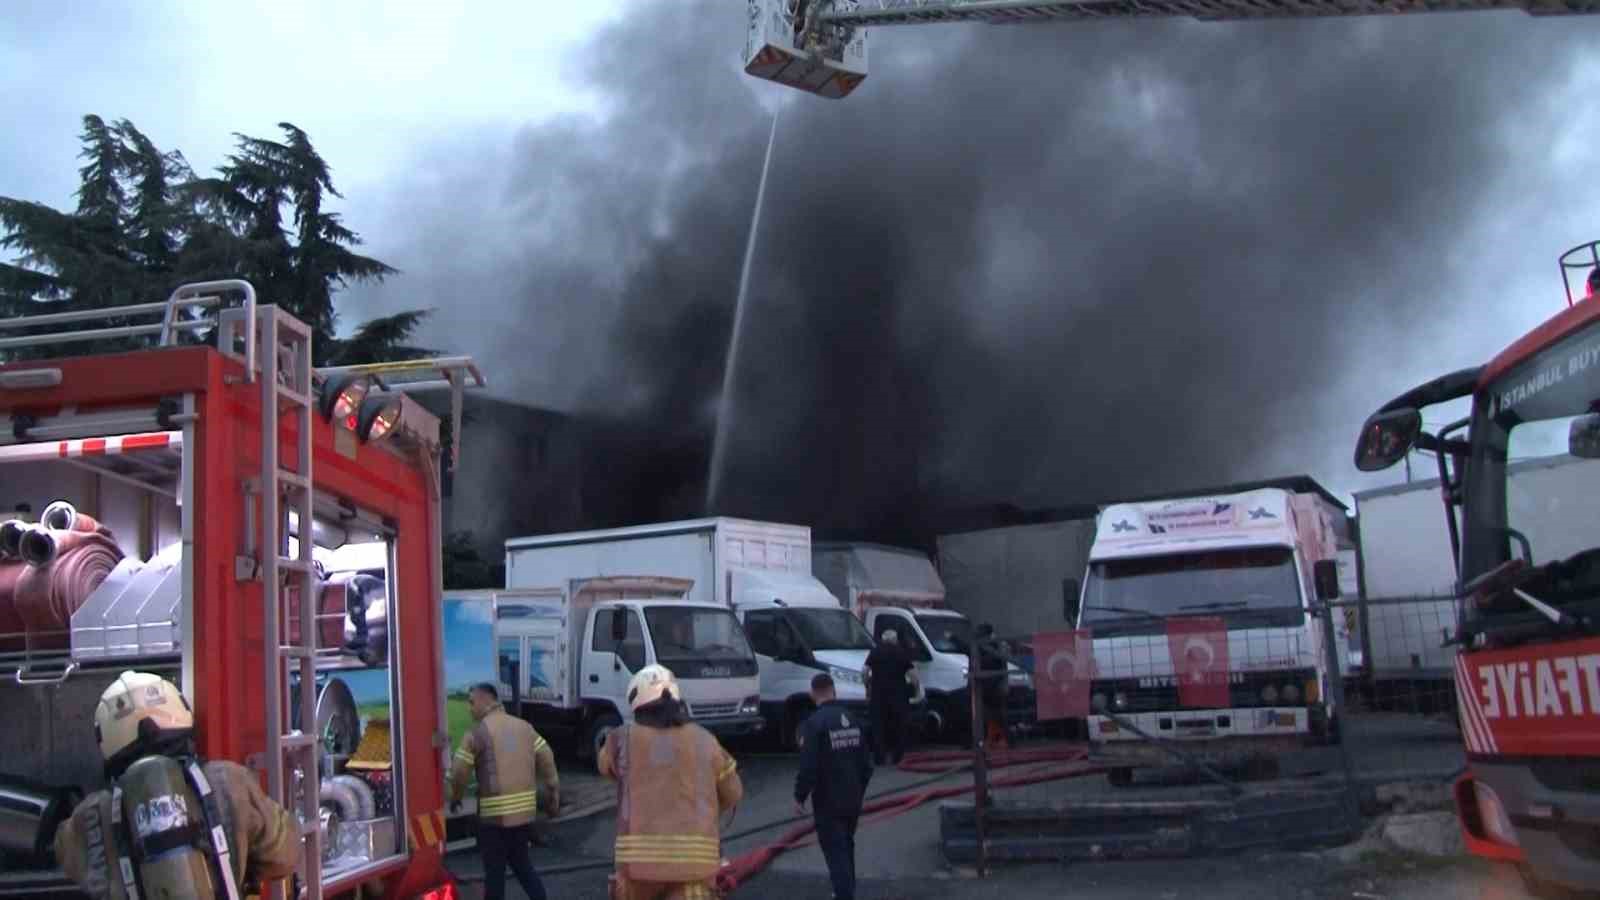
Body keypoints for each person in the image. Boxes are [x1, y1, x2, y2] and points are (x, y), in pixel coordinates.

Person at [53, 671, 300, 900]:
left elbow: (65, 853)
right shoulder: (230, 781)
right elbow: (284, 856)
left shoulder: (89, 816)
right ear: (179, 710)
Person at [599, 665, 743, 900]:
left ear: (637, 705)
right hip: (695, 865)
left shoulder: (620, 740)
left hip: (637, 869)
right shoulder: (705, 741)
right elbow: (733, 792)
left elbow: (607, 769)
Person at [449, 683, 560, 900]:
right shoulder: (525, 727)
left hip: (494, 819)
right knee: (522, 866)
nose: (469, 709)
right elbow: (546, 756)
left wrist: (456, 797)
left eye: (472, 702)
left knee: (495, 874)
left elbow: (458, 771)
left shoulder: (477, 734)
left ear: (485, 701)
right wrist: (553, 790)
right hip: (524, 816)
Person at [795, 673, 873, 900]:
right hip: (852, 797)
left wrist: (799, 796)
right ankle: (846, 891)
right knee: (846, 845)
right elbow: (867, 764)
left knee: (834, 849)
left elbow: (808, 765)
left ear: (813, 694)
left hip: (828, 800)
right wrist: (859, 788)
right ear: (834, 691)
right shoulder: (852, 718)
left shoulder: (814, 724)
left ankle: (844, 894)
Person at [863, 629, 914, 766]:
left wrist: (867, 686)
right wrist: (913, 689)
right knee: (899, 726)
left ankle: (879, 758)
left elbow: (865, 671)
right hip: (898, 696)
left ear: (883, 639)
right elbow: (913, 675)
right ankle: (898, 757)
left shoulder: (875, 652)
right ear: (895, 640)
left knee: (878, 727)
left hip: (878, 695)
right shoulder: (901, 653)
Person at [975, 624, 1011, 751]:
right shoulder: (995, 645)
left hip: (995, 686)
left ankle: (1003, 740)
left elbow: (996, 665)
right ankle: (994, 740)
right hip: (993, 685)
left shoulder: (994, 645)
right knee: (992, 715)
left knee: (996, 715)